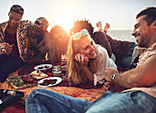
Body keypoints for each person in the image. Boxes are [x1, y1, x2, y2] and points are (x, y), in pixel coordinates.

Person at [25, 7, 156, 113]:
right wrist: (116, 85)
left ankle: (104, 30)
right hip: (114, 96)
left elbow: (142, 77)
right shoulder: (145, 52)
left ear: (154, 25)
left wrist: (114, 76)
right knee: (36, 96)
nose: (132, 33)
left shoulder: (101, 50)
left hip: (138, 97)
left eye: (137, 26)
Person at [70, 20, 137, 68]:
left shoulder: (98, 35)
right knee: (124, 63)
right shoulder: (87, 43)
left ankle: (103, 29)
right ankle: (104, 29)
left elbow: (109, 53)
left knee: (138, 64)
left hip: (127, 49)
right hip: (119, 59)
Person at [0, 5, 25, 88]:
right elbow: (0, 43)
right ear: (8, 14)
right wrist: (5, 48)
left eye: (17, 19)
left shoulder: (25, 28)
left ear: (21, 18)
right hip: (5, 55)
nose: (13, 21)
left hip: (19, 58)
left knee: (7, 67)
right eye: (11, 18)